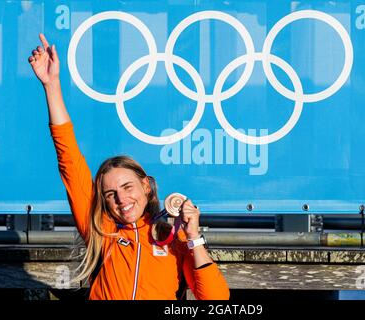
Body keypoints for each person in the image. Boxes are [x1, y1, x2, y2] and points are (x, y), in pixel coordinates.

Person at [28, 33, 230, 300]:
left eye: (127, 187)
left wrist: (193, 237)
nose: (121, 199)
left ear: (146, 186)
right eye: (111, 194)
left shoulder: (172, 238)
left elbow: (217, 301)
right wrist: (51, 85)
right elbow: (68, 157)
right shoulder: (101, 229)